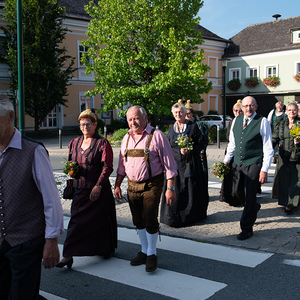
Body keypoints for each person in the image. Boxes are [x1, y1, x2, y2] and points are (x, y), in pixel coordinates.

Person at [0, 93, 64, 299]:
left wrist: (51, 240)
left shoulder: (33, 151)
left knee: (23, 295)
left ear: (11, 116)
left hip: (25, 241)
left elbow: (51, 200)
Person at [114, 105, 177, 272]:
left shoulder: (157, 136)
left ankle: (151, 253)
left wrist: (170, 188)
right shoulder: (126, 138)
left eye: (136, 118)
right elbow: (122, 165)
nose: (133, 122)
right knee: (137, 220)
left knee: (149, 218)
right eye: (130, 119)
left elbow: (170, 165)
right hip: (132, 185)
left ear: (145, 118)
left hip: (152, 184)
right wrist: (118, 185)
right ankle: (143, 250)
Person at [57, 108, 117, 268]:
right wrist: (70, 170)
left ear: (95, 124)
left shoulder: (102, 143)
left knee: (100, 222)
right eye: (82, 124)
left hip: (98, 191)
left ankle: (105, 249)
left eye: (88, 124)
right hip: (80, 189)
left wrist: (98, 185)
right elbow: (70, 163)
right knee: (76, 222)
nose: (85, 127)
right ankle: (68, 255)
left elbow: (107, 167)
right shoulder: (74, 142)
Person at [224, 96, 273, 240]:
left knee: (250, 196)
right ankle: (253, 207)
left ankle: (246, 228)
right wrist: (226, 161)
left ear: (256, 107)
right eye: (245, 106)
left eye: (251, 106)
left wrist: (264, 170)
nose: (248, 108)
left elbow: (268, 147)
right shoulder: (237, 121)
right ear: (242, 107)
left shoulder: (262, 122)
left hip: (253, 163)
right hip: (238, 163)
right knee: (238, 192)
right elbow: (233, 144)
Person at [160, 102, 208, 227]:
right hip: (175, 164)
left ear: (185, 113)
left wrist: (191, 149)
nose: (178, 115)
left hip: (190, 164)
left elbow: (202, 144)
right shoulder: (171, 129)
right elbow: (168, 146)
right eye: (176, 113)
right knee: (174, 188)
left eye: (180, 112)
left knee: (190, 190)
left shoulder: (192, 127)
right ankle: (172, 217)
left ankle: (190, 216)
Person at [271, 102, 300, 214]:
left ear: (297, 111)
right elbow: (275, 138)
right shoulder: (281, 124)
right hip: (283, 156)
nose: (291, 112)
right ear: (286, 111)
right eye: (289, 110)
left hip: (297, 156)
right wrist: (269, 148)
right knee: (283, 181)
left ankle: (291, 204)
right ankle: (285, 202)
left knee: (295, 180)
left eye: (294, 110)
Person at [220, 99, 243, 206]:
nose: (237, 112)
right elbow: (228, 136)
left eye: (239, 110)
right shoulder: (231, 121)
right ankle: (227, 193)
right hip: (231, 149)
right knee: (228, 173)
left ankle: (237, 194)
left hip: (240, 151)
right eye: (235, 110)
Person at [185, 100, 209, 185]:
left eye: (188, 113)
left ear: (192, 114)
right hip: (190, 154)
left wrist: (202, 152)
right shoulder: (185, 125)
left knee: (202, 173)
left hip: (199, 152)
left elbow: (204, 140)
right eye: (185, 113)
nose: (186, 115)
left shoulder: (200, 124)